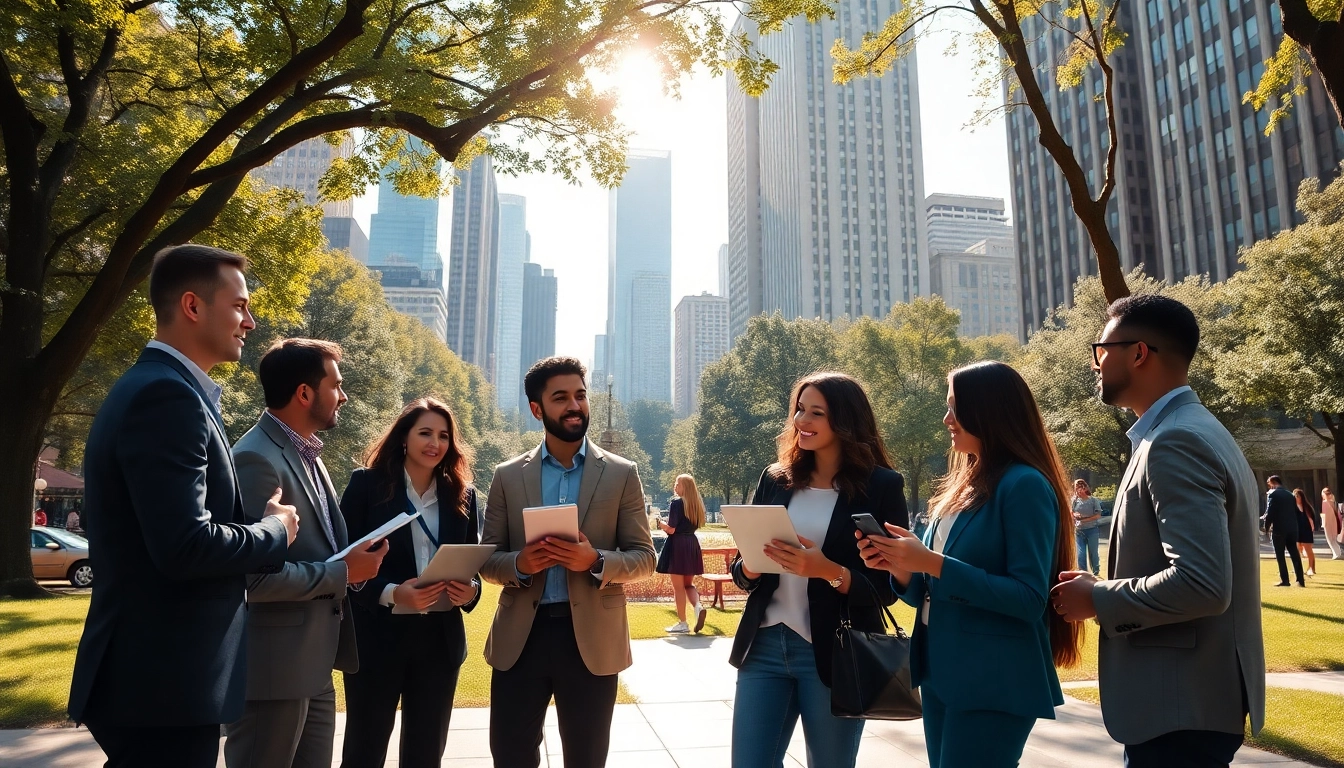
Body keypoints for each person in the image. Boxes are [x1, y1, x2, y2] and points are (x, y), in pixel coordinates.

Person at [68, 244, 298, 768]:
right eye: (240, 306)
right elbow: (184, 545)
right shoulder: (166, 398)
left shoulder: (164, 390)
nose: (251, 321)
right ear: (193, 306)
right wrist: (273, 530)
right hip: (162, 682)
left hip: (160, 682)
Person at [1051, 294, 1266, 766]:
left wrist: (1098, 598)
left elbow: (1203, 585)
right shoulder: (1191, 430)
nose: (1095, 365)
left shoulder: (1176, 440)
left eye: (1100, 350)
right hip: (1186, 703)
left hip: (1179, 708)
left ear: (1139, 353)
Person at [859, 361, 1079, 767]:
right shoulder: (963, 485)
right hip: (942, 670)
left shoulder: (1024, 485)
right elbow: (932, 590)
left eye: (955, 408)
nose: (946, 420)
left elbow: (1030, 598)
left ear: (989, 410)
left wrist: (933, 562)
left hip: (993, 679)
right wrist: (903, 566)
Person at [480, 357, 656, 768]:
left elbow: (645, 558)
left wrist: (594, 560)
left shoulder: (621, 473)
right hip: (521, 638)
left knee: (587, 758)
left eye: (580, 395)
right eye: (561, 397)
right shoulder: (507, 476)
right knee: (510, 755)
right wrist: (521, 563)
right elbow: (488, 560)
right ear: (536, 408)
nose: (575, 405)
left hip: (592, 639)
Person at [730, 372, 908, 768]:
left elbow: (887, 589)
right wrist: (753, 569)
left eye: (816, 413)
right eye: (799, 410)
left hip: (836, 653)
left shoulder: (882, 486)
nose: (801, 422)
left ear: (845, 421)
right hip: (763, 648)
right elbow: (741, 572)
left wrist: (829, 571)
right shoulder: (775, 479)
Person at [224, 339, 388, 768]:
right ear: (304, 393)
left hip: (313, 665)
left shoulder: (308, 453)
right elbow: (252, 579)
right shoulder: (255, 459)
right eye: (336, 384)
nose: (344, 395)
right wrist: (342, 575)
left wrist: (356, 563)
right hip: (273, 672)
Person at [339, 398, 482, 768]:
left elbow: (472, 564)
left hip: (439, 645)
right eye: (425, 433)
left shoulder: (463, 495)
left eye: (444, 435)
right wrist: (391, 593)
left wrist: (472, 591)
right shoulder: (366, 486)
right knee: (363, 752)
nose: (435, 443)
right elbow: (342, 564)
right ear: (404, 437)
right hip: (377, 642)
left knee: (425, 757)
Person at [657, 473, 707, 634]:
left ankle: (683, 623)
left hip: (678, 546)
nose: (675, 487)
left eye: (677, 484)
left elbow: (671, 529)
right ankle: (698, 607)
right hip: (691, 544)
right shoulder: (697, 504)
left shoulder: (677, 503)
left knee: (678, 588)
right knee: (688, 584)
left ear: (684, 487)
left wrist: (660, 524)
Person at [1265, 476, 1305, 587]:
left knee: (1280, 555)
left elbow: (1270, 513)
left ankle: (1285, 580)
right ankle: (1300, 579)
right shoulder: (1290, 495)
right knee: (1294, 554)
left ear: (1273, 483)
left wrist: (1266, 527)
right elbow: (1297, 512)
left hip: (1279, 529)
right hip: (1292, 529)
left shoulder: (1273, 495)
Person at [1072, 479, 1104, 576]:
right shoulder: (1074, 501)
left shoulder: (1093, 500)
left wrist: (1085, 519)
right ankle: (1083, 574)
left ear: (1086, 488)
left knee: (1093, 553)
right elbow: (1071, 512)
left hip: (1092, 530)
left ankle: (1096, 572)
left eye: (1081, 488)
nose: (1079, 490)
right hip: (1079, 531)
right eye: (1077, 488)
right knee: (1081, 554)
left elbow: (1098, 515)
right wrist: (1075, 515)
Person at [1293, 488, 1318, 577]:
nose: (1296, 498)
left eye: (1297, 496)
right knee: (1297, 550)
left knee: (1308, 550)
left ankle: (1312, 568)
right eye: (1295, 496)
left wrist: (1312, 529)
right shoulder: (1293, 507)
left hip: (1306, 531)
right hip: (1297, 531)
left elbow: (1312, 520)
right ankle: (1298, 568)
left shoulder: (1307, 507)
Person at [1322, 488, 1343, 560]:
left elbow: (1324, 515)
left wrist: (1324, 523)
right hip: (1334, 521)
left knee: (1330, 539)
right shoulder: (1333, 502)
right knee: (1333, 538)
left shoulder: (1325, 503)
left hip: (1328, 522)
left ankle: (1336, 553)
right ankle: (1337, 552)